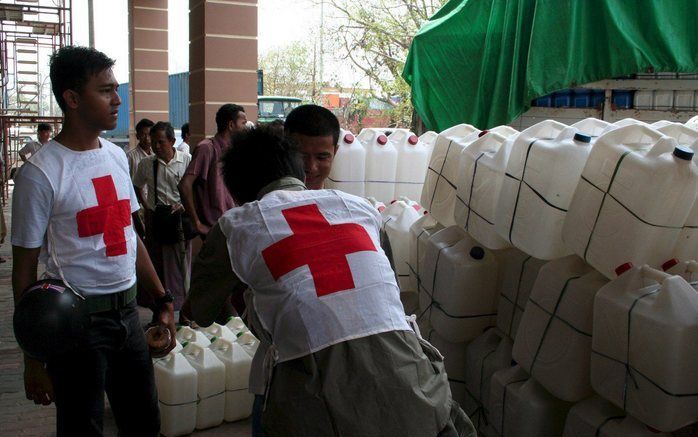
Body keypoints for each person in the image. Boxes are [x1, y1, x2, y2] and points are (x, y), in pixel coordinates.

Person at [183, 127, 475, 437]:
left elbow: (200, 311)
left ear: (237, 192)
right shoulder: (362, 208)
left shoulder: (235, 226)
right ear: (299, 170)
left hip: (318, 405)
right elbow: (386, 289)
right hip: (415, 386)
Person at [11, 46, 175, 437]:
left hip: (128, 317)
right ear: (71, 98)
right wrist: (33, 356)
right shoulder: (40, 173)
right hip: (76, 325)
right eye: (105, 90)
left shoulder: (116, 157)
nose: (117, 99)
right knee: (82, 428)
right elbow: (23, 272)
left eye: (115, 89)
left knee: (143, 423)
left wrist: (162, 298)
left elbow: (128, 235)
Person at [133, 121, 192, 311]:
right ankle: (159, 309)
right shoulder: (146, 164)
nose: (156, 147)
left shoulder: (187, 160)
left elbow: (196, 189)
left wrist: (184, 206)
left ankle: (184, 309)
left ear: (173, 141)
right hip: (157, 217)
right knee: (157, 265)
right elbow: (136, 186)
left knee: (181, 265)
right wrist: (146, 206)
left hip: (180, 220)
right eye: (154, 142)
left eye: (161, 142)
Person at [178, 103, 246, 239]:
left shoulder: (233, 151)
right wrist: (196, 223)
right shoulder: (207, 148)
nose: (246, 128)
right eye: (243, 123)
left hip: (231, 225)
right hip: (215, 229)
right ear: (231, 125)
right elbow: (184, 185)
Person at [284, 104, 338, 190]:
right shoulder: (264, 199)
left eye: (321, 157)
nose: (311, 167)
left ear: (335, 152)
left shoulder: (345, 198)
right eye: (301, 157)